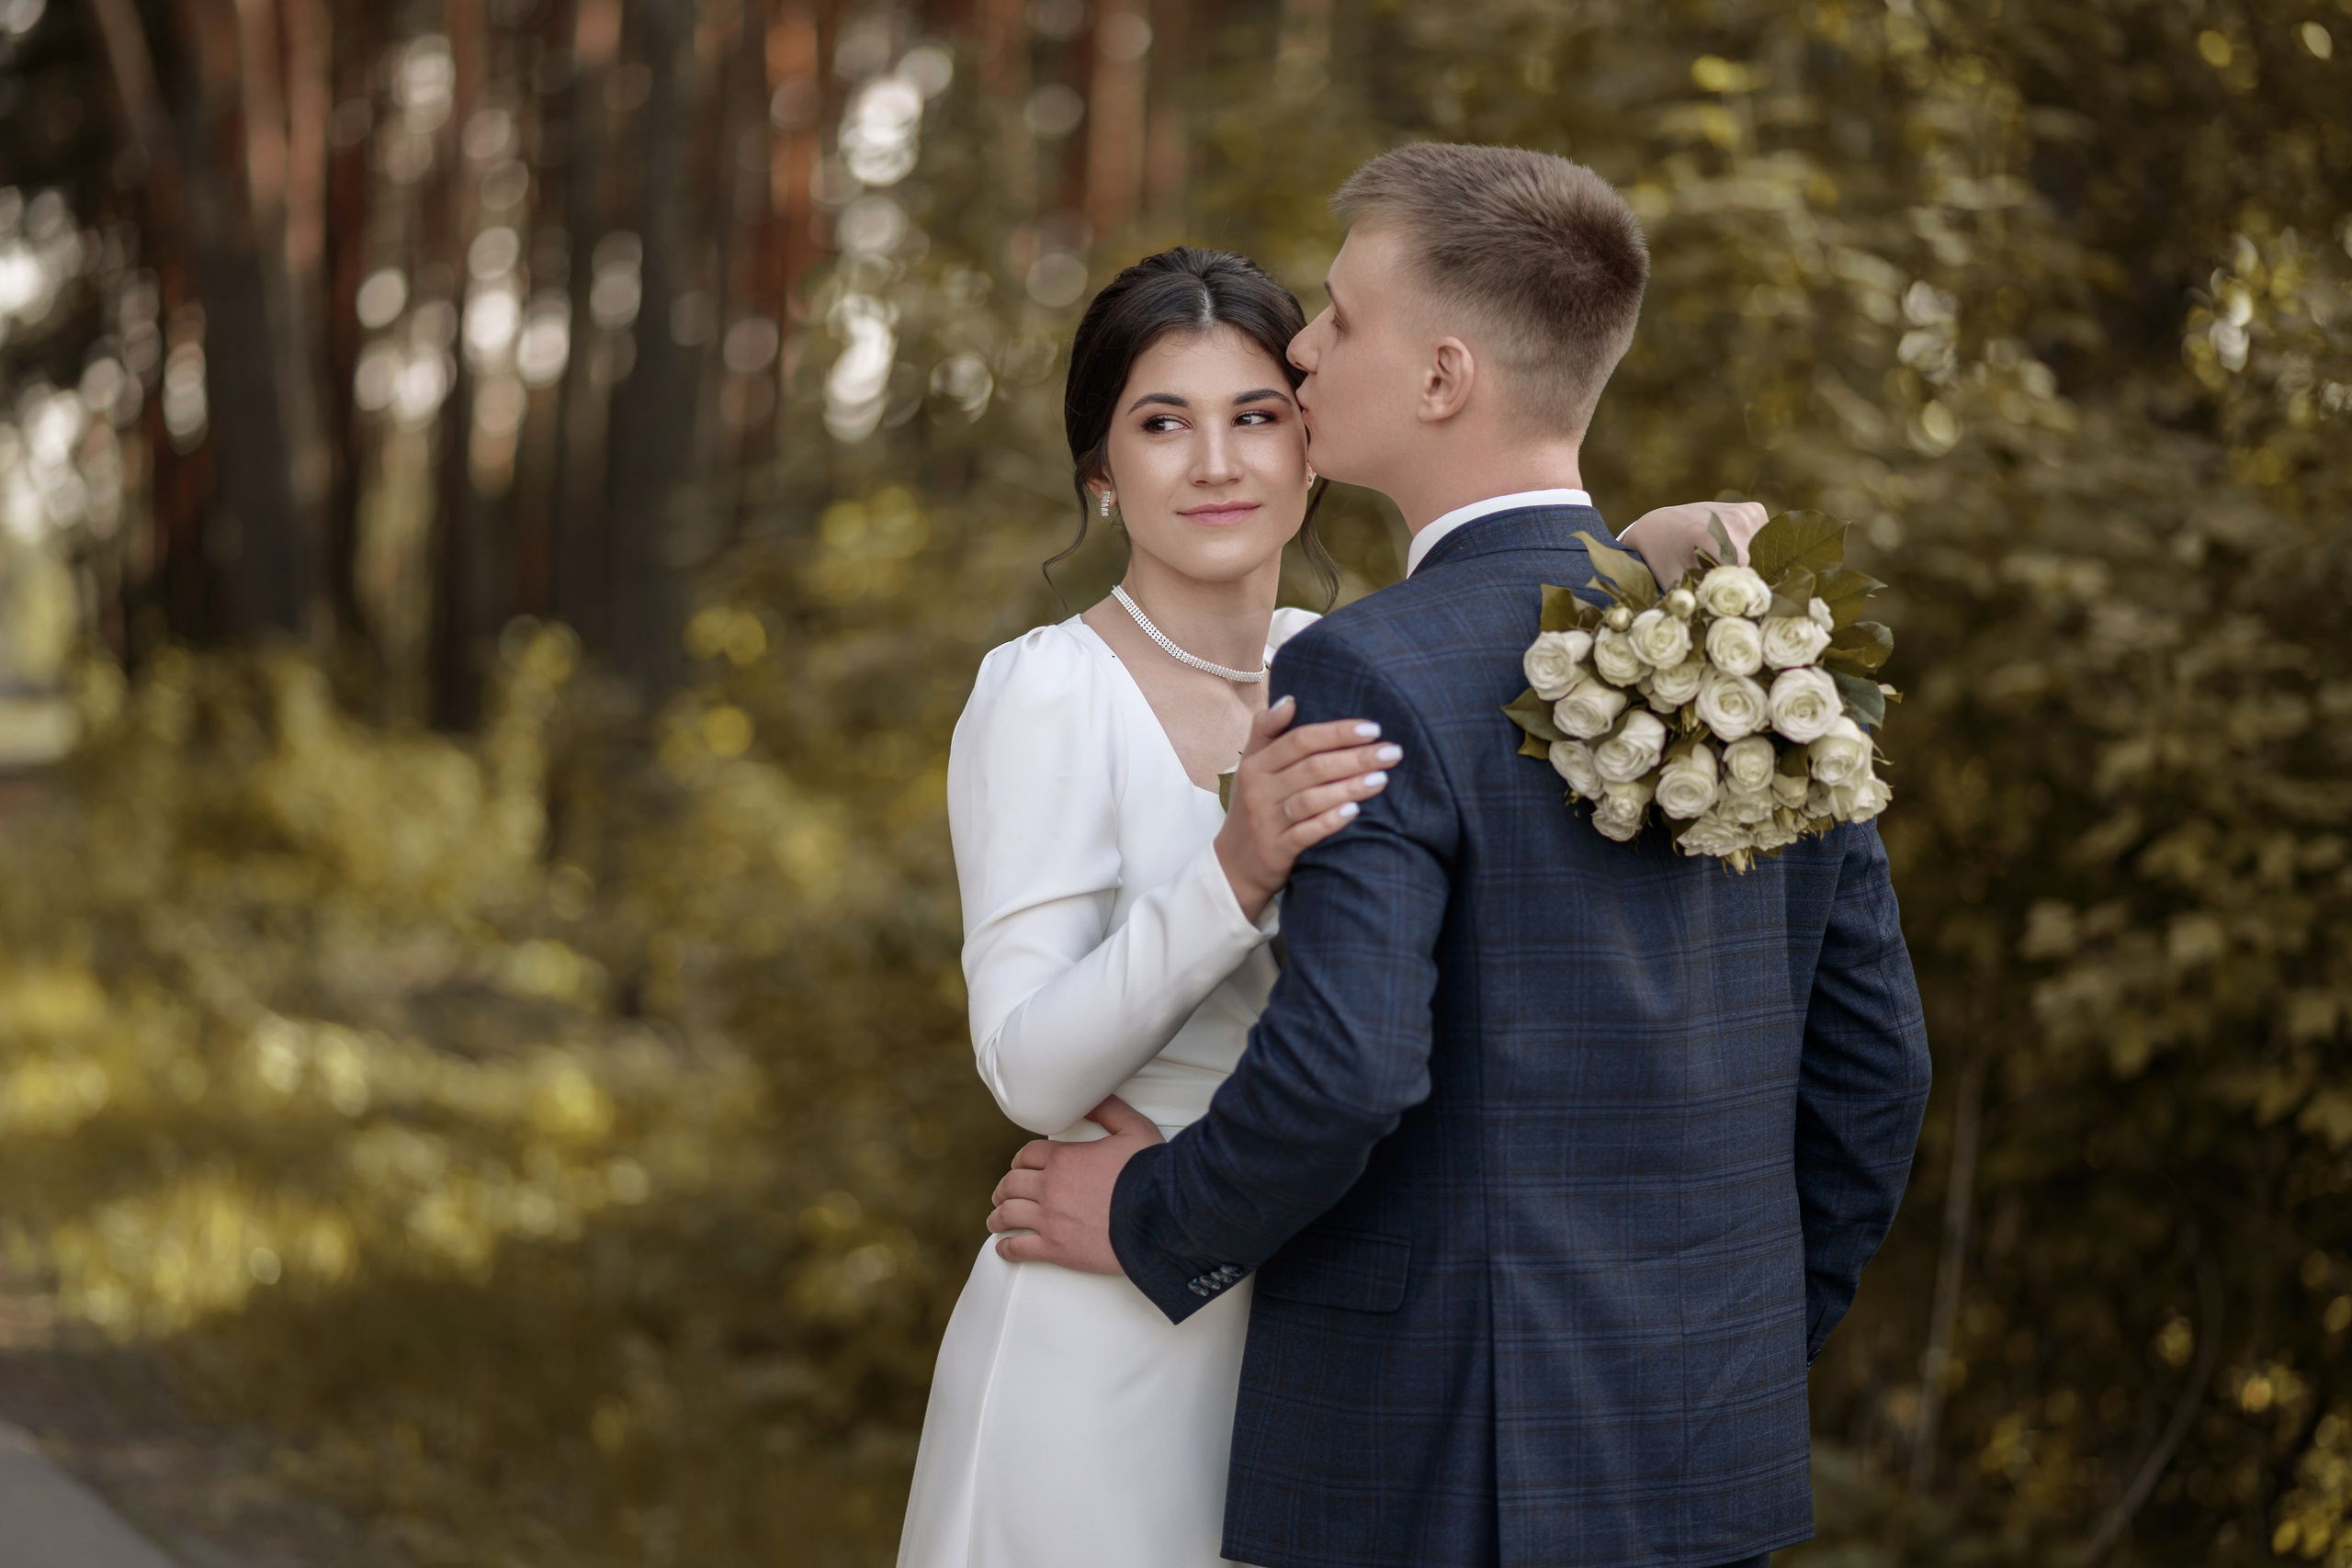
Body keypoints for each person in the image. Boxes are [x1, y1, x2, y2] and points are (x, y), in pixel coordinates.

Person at [986, 148, 1934, 1568]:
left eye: (1342, 323)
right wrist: (1732, 1336)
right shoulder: (1765, 643)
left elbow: (1352, 1070)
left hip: (1444, 1466)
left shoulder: (1371, 664)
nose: (1303, 344)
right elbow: (1878, 1070)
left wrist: (1145, 1213)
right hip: (1701, 1453)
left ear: (1440, 379)